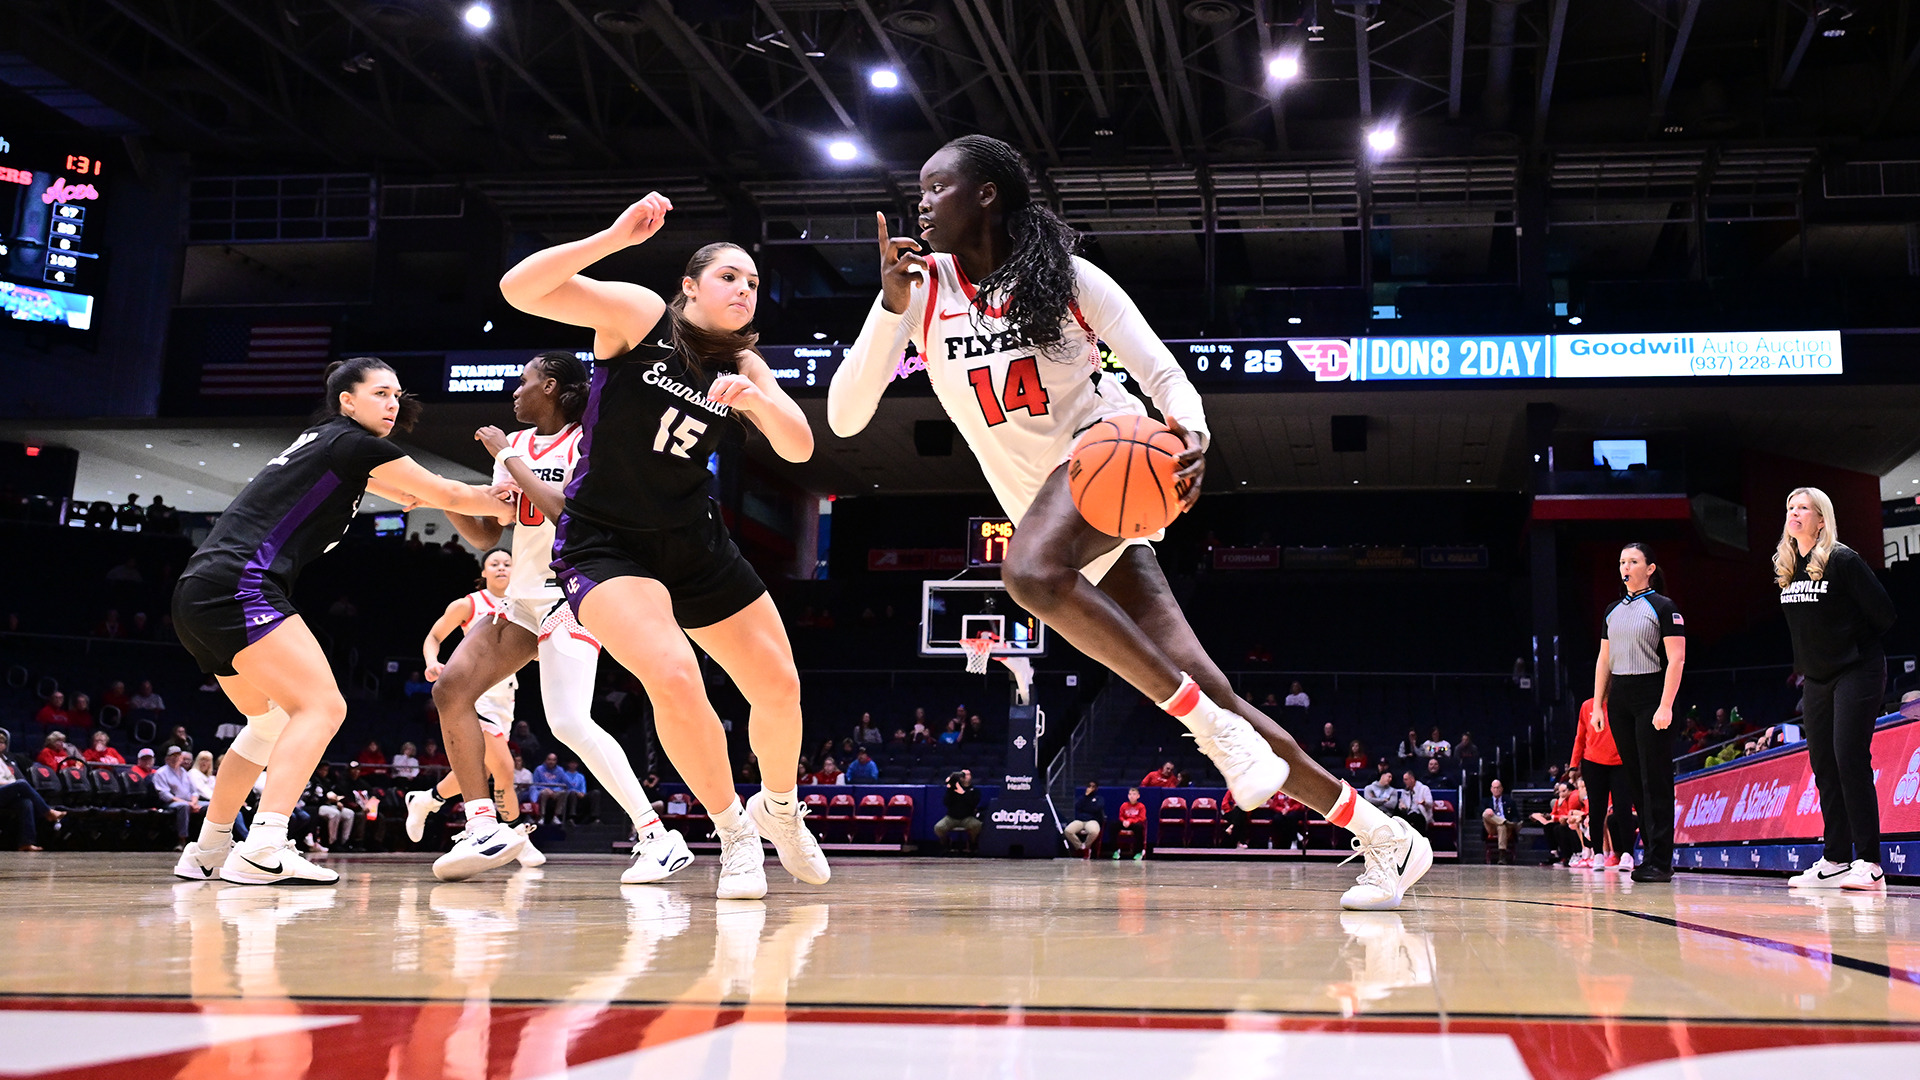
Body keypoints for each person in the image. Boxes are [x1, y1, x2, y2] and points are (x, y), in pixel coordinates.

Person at [832, 133, 1428, 910]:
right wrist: (888, 307)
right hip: (1059, 512)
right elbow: (845, 418)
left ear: (986, 194)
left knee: (1028, 572)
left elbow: (1162, 372)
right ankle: (1386, 835)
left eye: (938, 187)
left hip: (1108, 464)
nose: (922, 203)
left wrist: (1196, 434)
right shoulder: (920, 295)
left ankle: (1212, 737)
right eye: (921, 190)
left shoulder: (1066, 278)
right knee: (1214, 692)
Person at [502, 197, 827, 902]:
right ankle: (734, 834)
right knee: (675, 677)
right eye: (730, 278)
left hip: (695, 540)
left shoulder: (744, 362)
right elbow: (518, 288)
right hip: (605, 542)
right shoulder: (641, 316)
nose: (745, 290)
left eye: (753, 284)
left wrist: (761, 402)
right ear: (691, 285)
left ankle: (780, 809)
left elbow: (799, 448)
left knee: (779, 686)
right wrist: (613, 236)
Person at [168, 355, 519, 884]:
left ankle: (209, 847)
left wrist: (461, 497)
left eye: (397, 395)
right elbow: (445, 494)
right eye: (380, 393)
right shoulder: (354, 444)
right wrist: (509, 495)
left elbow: (413, 492)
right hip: (238, 585)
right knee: (323, 706)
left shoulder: (330, 446)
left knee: (267, 724)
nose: (393, 404)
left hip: (198, 592)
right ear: (346, 401)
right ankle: (265, 844)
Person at [1776, 488, 1897, 892]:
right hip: (1817, 678)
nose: (1794, 513)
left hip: (1857, 669)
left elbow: (1884, 613)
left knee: (1849, 759)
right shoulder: (1788, 565)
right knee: (1824, 765)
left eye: (1803, 508)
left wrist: (1849, 644)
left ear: (1821, 519)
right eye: (1790, 508)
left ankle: (1871, 863)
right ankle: (1836, 858)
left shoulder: (1843, 559)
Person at [403, 549, 546, 869]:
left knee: (478, 771)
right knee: (505, 769)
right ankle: (517, 837)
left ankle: (426, 800)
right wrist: (431, 662)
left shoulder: (522, 605)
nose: (501, 568)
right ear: (484, 571)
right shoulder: (469, 604)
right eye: (494, 563)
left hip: (505, 698)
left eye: (507, 563)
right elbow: (434, 636)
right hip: (474, 692)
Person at [1593, 542, 1687, 884]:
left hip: (1652, 696)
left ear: (1649, 568)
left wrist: (1665, 705)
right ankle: (1649, 855)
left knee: (1655, 779)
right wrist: (1598, 705)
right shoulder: (1612, 610)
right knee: (1635, 781)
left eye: (1633, 561)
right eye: (1622, 561)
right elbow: (1604, 660)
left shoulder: (1663, 607)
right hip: (1620, 699)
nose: (1625, 566)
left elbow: (1676, 659)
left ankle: (1661, 859)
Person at [1571, 697, 1632, 872]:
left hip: (1620, 763)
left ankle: (1627, 854)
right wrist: (1574, 764)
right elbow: (1580, 736)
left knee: (1622, 808)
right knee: (1596, 810)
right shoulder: (1587, 706)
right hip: (1593, 763)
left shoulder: (1622, 701)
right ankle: (1598, 854)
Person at [0, 732, 64, 851]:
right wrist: (13, 785)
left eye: (2, 742)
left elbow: (11, 779)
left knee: (26, 802)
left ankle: (26, 842)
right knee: (21, 784)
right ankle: (48, 812)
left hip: (4, 793)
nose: (0, 745)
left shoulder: (5, 761)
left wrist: (13, 786)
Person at [152, 747, 201, 850]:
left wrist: (194, 802)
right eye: (172, 756)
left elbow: (194, 791)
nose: (175, 758)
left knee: (210, 806)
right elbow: (165, 795)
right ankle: (182, 841)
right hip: (171, 803)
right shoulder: (161, 772)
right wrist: (188, 803)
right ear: (167, 758)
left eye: (178, 756)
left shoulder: (184, 772)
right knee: (183, 806)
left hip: (189, 801)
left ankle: (205, 841)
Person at [934, 770, 983, 850]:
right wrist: (950, 789)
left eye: (967, 775)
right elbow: (946, 802)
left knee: (977, 825)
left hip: (967, 817)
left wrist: (962, 792)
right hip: (951, 817)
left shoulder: (975, 790)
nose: (965, 777)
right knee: (939, 827)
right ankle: (946, 842)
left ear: (971, 776)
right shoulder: (953, 789)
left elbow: (973, 803)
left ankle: (972, 842)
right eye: (962, 775)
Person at [1482, 779, 1521, 864]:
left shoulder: (1509, 801)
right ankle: (1504, 822)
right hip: (1491, 827)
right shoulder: (1485, 801)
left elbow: (1516, 816)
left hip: (1506, 829)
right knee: (1485, 813)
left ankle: (1502, 857)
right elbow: (1480, 814)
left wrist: (1513, 822)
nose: (1496, 790)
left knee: (1501, 826)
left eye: (1498, 788)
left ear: (1502, 789)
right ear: (1491, 789)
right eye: (1494, 788)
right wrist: (1487, 810)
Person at [1065, 780, 1104, 854]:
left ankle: (1086, 847)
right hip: (1080, 820)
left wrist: (1086, 807)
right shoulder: (1082, 798)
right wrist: (1086, 797)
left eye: (1093, 787)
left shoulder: (1099, 798)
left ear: (1096, 788)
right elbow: (1077, 806)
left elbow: (1096, 808)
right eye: (1089, 786)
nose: (1091, 788)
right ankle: (1080, 846)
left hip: (1092, 820)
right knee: (1068, 831)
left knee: (1094, 832)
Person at [1113, 787, 1147, 860]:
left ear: (1138, 796)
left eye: (1134, 794)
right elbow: (1121, 816)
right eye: (1130, 794)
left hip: (1135, 824)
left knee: (1139, 828)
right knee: (1113, 825)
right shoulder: (1124, 805)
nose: (1132, 796)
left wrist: (1130, 821)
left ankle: (1138, 852)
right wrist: (1124, 821)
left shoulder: (1141, 806)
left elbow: (1142, 818)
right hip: (1125, 823)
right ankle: (1115, 850)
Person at [1399, 770, 1435, 836]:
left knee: (1417, 818)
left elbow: (1430, 804)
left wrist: (1424, 803)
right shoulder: (1405, 791)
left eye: (1406, 779)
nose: (1404, 782)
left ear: (1412, 779)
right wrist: (1401, 806)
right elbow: (1402, 803)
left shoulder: (1424, 789)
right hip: (1409, 814)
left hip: (1422, 815)